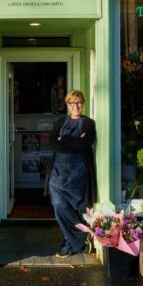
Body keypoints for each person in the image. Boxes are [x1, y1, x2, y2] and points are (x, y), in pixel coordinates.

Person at [45, 89, 97, 257]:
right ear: (67, 105)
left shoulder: (88, 123)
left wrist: (64, 140)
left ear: (83, 103)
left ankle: (70, 243)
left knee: (74, 209)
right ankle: (81, 236)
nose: (76, 106)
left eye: (79, 102)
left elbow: (85, 144)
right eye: (72, 103)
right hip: (57, 175)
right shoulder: (60, 122)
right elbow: (53, 143)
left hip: (77, 174)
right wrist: (74, 141)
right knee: (59, 207)